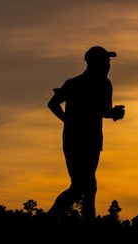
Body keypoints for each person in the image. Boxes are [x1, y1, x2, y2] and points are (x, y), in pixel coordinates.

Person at [47, 45, 125, 221]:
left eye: (108, 61)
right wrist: (68, 120)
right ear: (94, 63)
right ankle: (49, 219)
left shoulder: (105, 85)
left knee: (87, 187)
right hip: (74, 141)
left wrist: (113, 113)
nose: (108, 65)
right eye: (105, 61)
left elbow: (102, 110)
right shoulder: (74, 84)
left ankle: (69, 222)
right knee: (82, 186)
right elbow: (53, 103)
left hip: (93, 142)